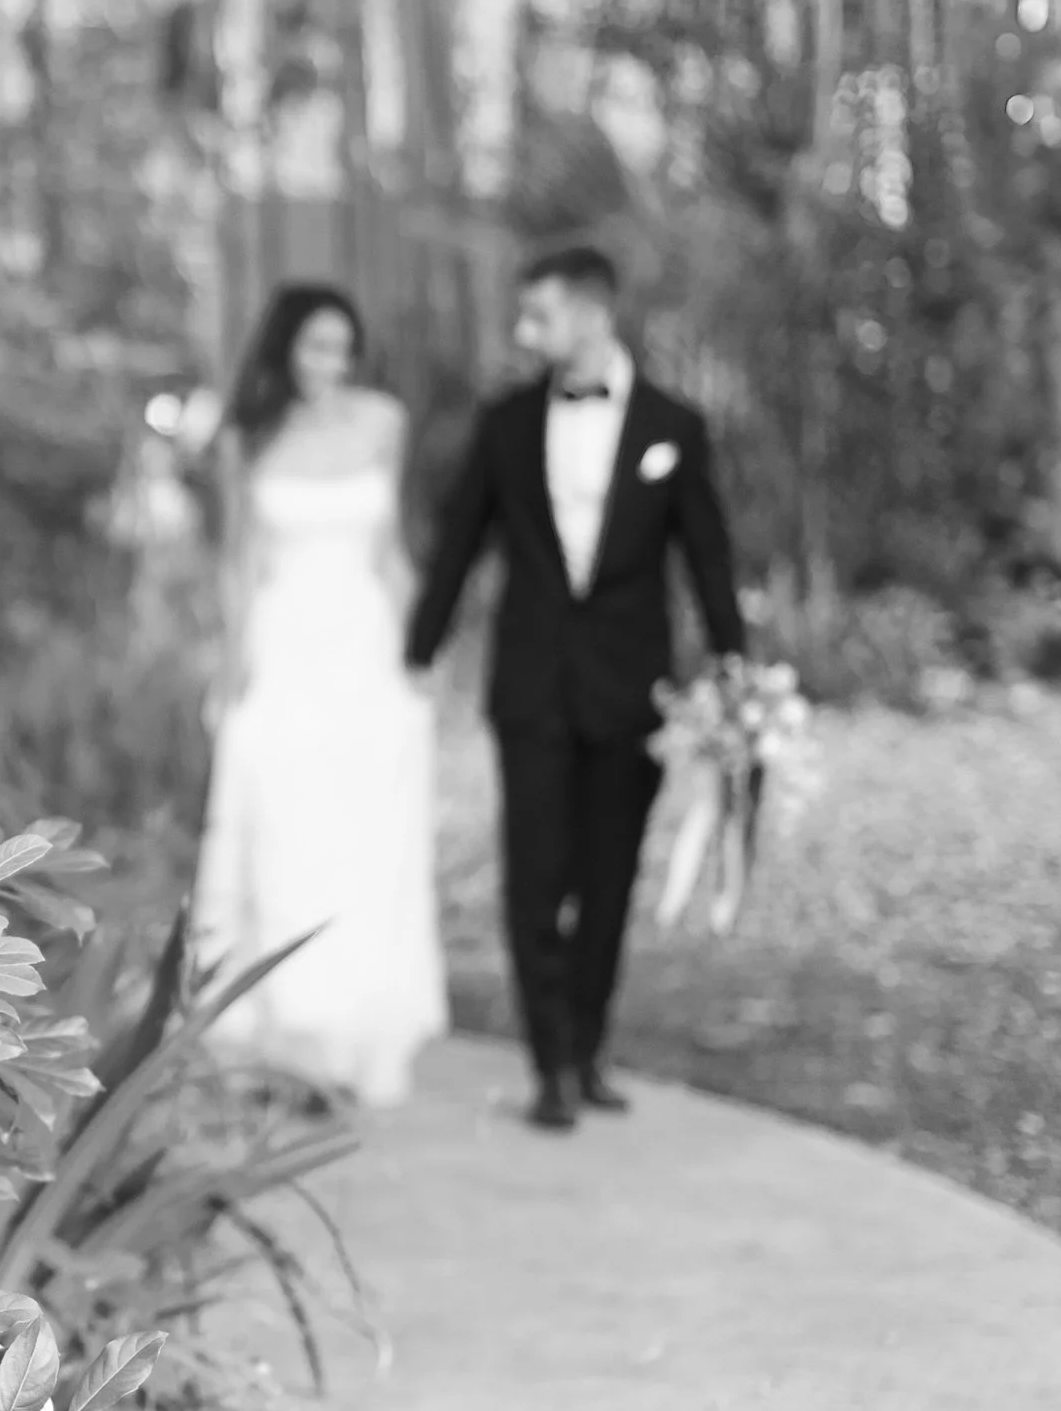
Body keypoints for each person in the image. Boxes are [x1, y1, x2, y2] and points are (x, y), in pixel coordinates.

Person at [404, 244, 742, 1131]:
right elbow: (460, 541)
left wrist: (732, 661)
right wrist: (419, 647)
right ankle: (548, 1060)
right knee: (532, 876)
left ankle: (588, 1048)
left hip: (634, 690)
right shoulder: (507, 421)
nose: (525, 332)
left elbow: (706, 551)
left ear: (592, 316)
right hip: (532, 682)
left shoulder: (676, 423)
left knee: (607, 875)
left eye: (538, 315)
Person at [192, 283, 447, 1108]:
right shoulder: (246, 437)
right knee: (282, 830)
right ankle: (277, 1032)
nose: (328, 365)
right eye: (313, 347)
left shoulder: (384, 423)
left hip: (365, 650)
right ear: (282, 349)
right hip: (284, 646)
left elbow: (392, 551)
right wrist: (229, 671)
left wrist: (421, 651)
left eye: (342, 348)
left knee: (362, 838)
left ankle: (350, 1034)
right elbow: (236, 565)